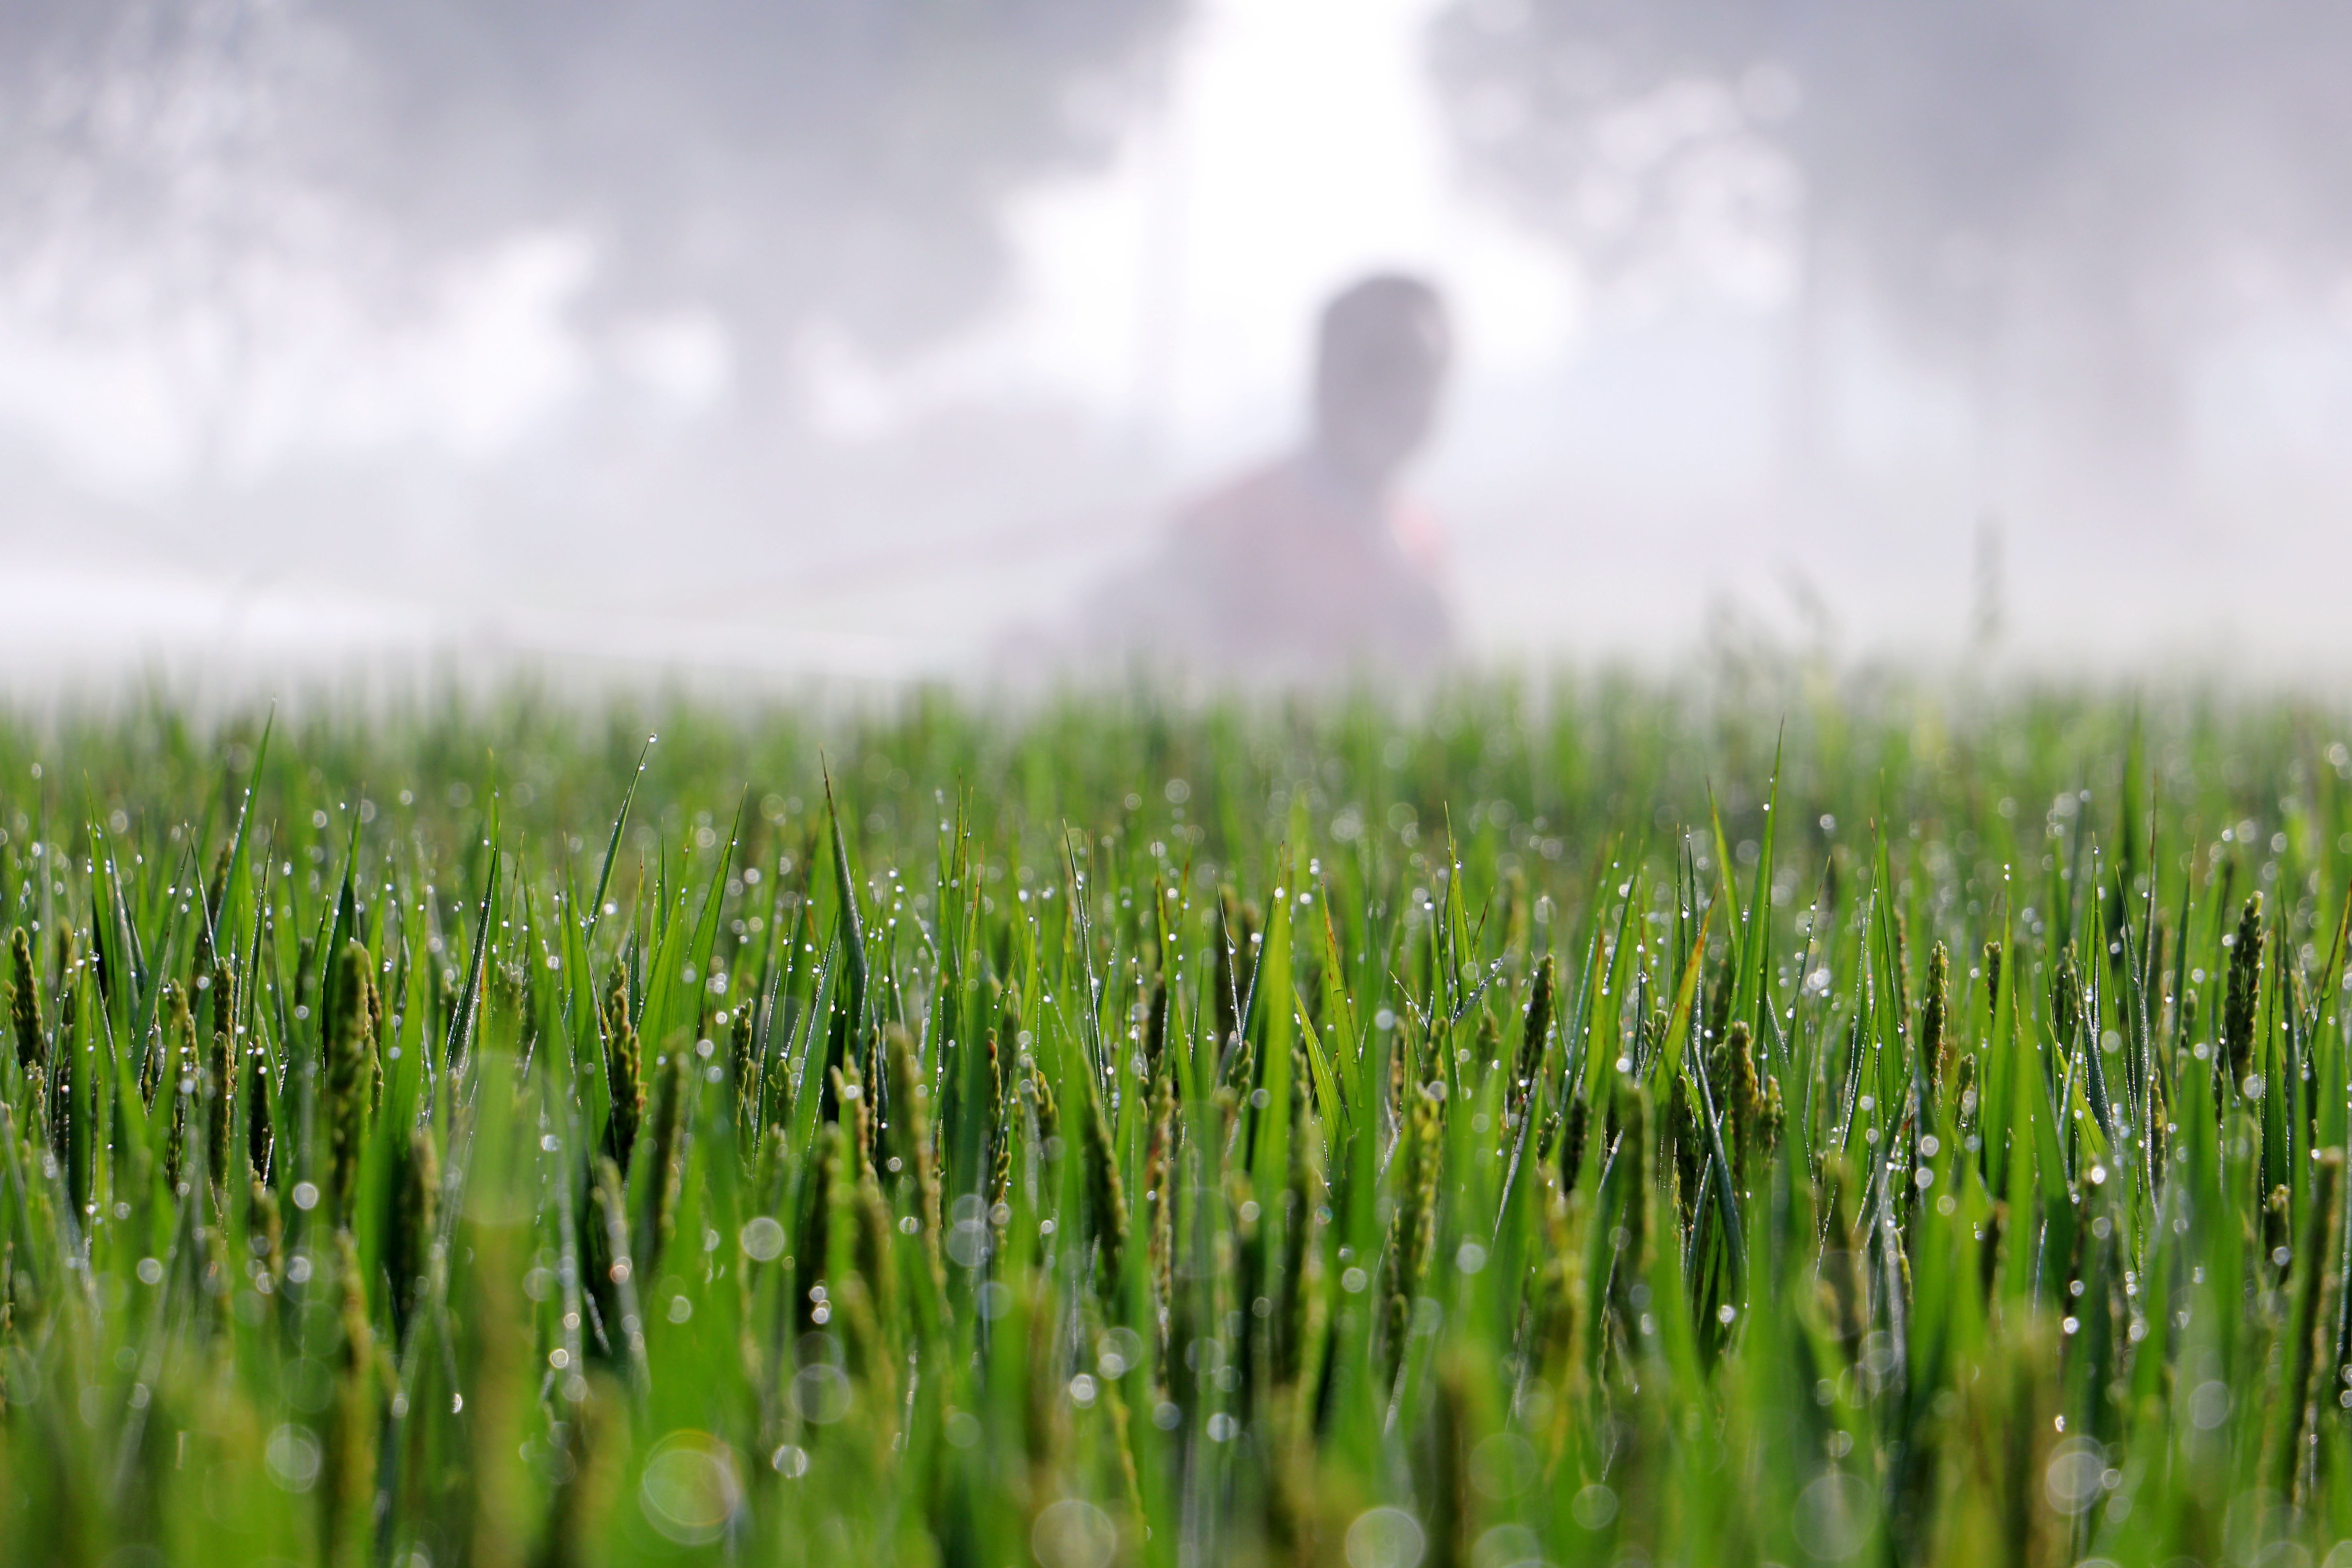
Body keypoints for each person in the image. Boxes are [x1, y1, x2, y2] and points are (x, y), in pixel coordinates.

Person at [1100, 274, 1457, 685]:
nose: (1401, 394)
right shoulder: (1231, 523)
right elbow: (1109, 635)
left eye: (1422, 373)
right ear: (1324, 373)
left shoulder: (1422, 540)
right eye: (1378, 367)